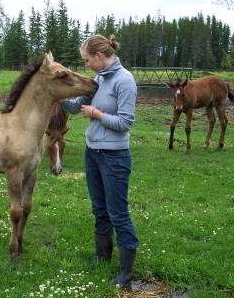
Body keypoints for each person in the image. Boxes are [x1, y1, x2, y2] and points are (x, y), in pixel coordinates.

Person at [61, 35, 138, 288]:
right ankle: (102, 256)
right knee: (99, 209)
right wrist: (54, 93)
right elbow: (74, 107)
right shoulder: (98, 80)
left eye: (86, 60)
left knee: (118, 213)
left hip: (115, 157)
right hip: (92, 153)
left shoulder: (124, 81)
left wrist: (96, 114)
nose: (85, 65)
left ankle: (126, 272)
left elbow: (125, 123)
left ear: (99, 56)